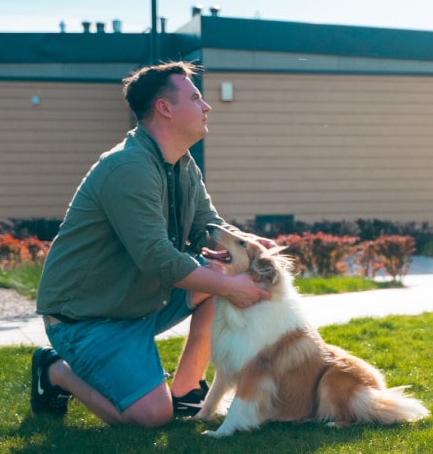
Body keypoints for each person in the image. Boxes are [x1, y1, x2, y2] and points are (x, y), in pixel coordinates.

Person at [29, 61, 272, 427]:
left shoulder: (183, 164)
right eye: (196, 98)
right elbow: (157, 258)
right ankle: (54, 370)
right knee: (152, 417)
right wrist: (231, 286)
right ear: (165, 108)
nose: (206, 107)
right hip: (88, 319)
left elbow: (207, 226)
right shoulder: (128, 167)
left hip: (138, 302)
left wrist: (247, 245)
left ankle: (187, 388)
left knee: (217, 270)